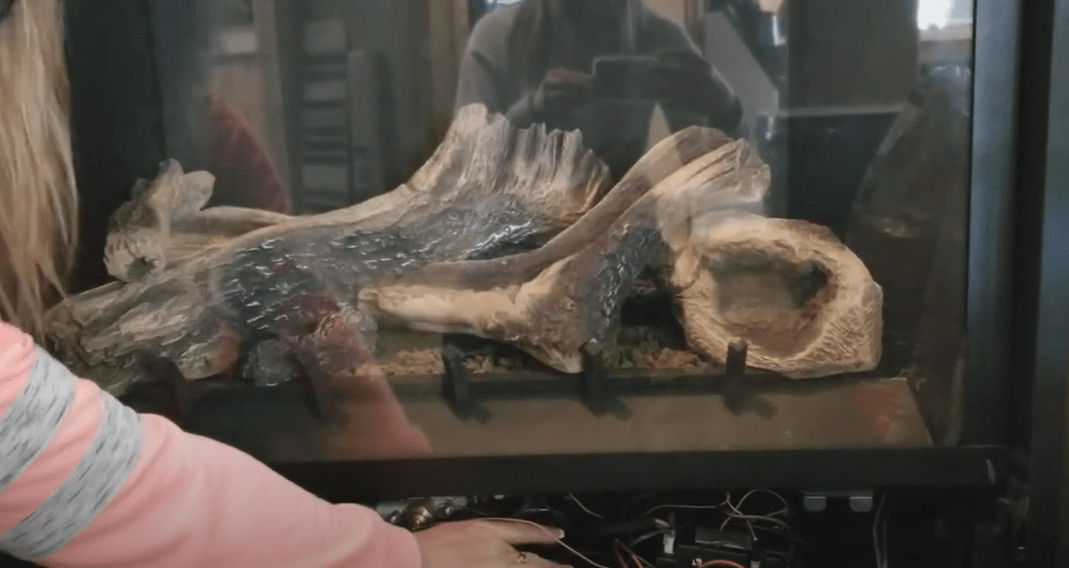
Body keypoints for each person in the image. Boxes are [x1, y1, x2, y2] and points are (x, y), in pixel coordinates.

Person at [0, 1, 566, 566]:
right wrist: (398, 555)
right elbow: (66, 463)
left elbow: (293, 289)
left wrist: (382, 442)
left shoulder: (219, 140)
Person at [455, 0, 744, 175]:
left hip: (620, 230)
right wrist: (532, 113)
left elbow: (716, 176)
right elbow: (463, 171)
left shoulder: (660, 37)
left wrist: (723, 107)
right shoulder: (497, 38)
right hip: (522, 237)